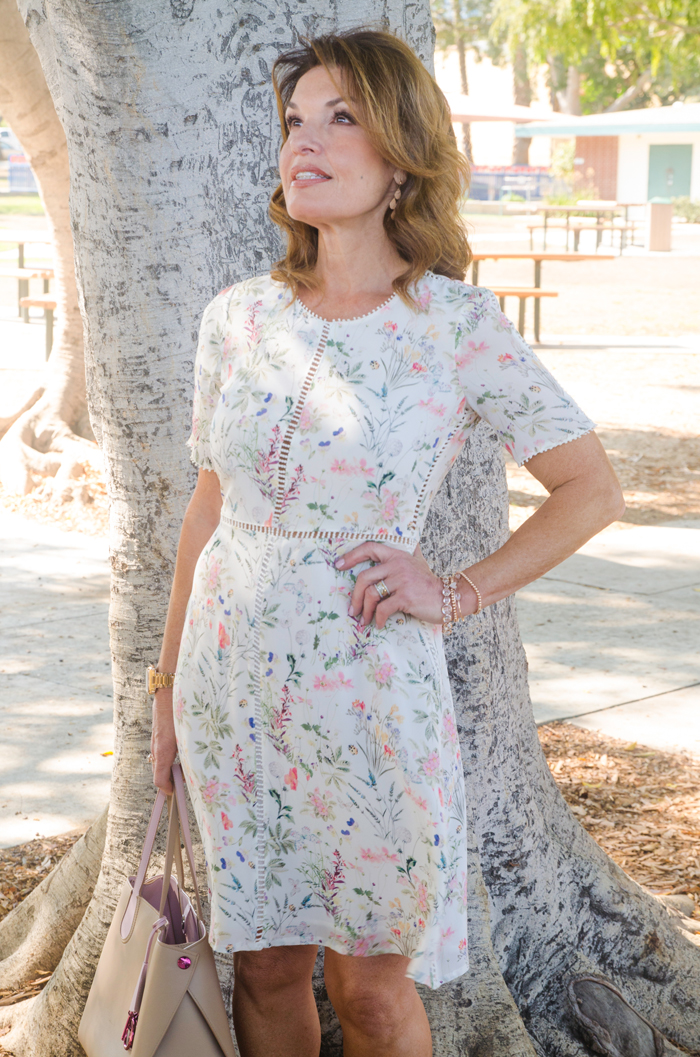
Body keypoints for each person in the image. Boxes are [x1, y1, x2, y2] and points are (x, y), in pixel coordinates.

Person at [149, 28, 624, 1057]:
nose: (303, 143)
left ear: (401, 154)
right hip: (228, 694)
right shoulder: (236, 319)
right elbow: (206, 506)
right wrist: (163, 689)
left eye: (340, 117)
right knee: (266, 963)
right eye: (293, 121)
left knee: (369, 986)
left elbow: (590, 489)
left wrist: (451, 590)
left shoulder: (454, 326)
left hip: (370, 698)